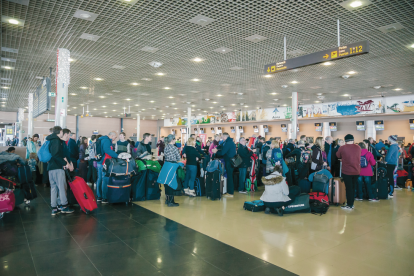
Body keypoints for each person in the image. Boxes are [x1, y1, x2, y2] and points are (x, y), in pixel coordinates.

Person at [46, 126, 74, 215]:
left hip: (51, 167)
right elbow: (56, 155)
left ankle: (54, 208)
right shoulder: (57, 140)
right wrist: (65, 164)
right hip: (57, 167)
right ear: (61, 132)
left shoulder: (50, 139)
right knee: (62, 187)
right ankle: (64, 206)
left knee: (54, 188)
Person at [336, 134, 361, 210]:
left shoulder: (342, 147)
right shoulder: (358, 147)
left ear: (345, 140)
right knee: (353, 188)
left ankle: (349, 205)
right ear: (353, 140)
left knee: (349, 188)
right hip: (356, 171)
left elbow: (337, 155)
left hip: (347, 171)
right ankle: (351, 203)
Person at [212, 132, 236, 197]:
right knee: (229, 176)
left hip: (229, 162)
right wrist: (217, 148)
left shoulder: (228, 143)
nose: (221, 139)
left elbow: (222, 152)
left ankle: (230, 193)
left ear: (225, 137)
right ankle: (230, 191)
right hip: (229, 161)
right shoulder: (227, 141)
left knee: (230, 177)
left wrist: (216, 151)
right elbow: (221, 146)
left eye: (222, 137)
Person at [96, 131, 118, 203]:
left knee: (100, 179)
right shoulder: (107, 141)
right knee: (105, 179)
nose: (115, 138)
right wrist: (117, 156)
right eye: (115, 137)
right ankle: (104, 198)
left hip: (99, 161)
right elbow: (107, 150)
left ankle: (99, 196)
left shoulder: (101, 139)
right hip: (104, 162)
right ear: (112, 136)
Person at [162, 134, 181, 206]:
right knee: (171, 183)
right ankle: (171, 201)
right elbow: (178, 157)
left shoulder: (166, 147)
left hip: (166, 165)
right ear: (173, 140)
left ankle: (167, 199)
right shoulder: (174, 148)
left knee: (167, 183)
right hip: (172, 165)